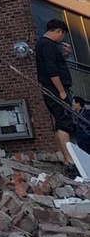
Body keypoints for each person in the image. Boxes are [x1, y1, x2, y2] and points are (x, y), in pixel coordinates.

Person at [36, 18, 77, 172]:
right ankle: (68, 158)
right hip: (55, 89)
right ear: (59, 31)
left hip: (52, 88)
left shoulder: (45, 45)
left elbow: (55, 64)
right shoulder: (47, 45)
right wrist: (61, 91)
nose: (62, 40)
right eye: (62, 35)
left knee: (60, 120)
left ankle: (62, 155)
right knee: (64, 121)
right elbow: (52, 69)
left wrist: (65, 56)